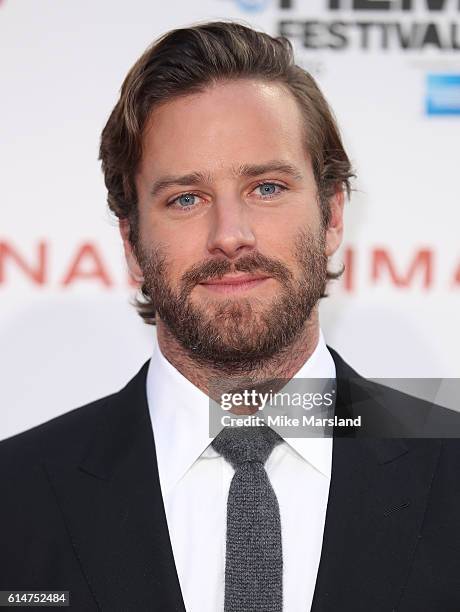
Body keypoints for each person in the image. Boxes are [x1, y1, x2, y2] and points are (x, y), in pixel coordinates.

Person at [1, 21, 460, 612]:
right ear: (132, 243)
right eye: (185, 199)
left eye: (266, 187)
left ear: (333, 216)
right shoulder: (14, 498)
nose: (231, 236)